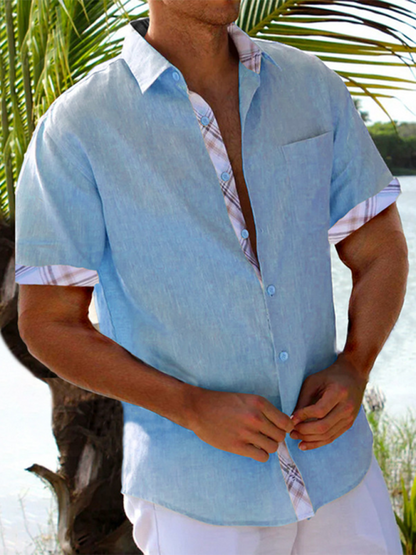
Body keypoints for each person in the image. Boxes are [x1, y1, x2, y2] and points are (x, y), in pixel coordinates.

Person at [15, 1, 408, 553]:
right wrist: (191, 406)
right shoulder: (77, 128)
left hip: (338, 469)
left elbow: (380, 248)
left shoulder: (310, 86)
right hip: (196, 500)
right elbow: (48, 323)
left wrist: (357, 363)